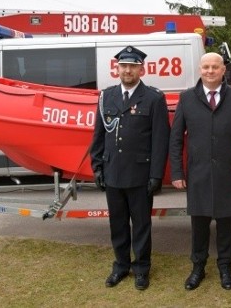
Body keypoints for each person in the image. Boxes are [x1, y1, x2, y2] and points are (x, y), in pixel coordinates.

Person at [169, 52, 231, 291]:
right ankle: (198, 268)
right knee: (199, 226)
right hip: (198, 175)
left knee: (226, 226)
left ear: (222, 70)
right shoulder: (187, 99)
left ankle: (225, 268)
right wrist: (176, 172)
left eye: (214, 67)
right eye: (205, 67)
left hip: (229, 174)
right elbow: (176, 138)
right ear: (199, 69)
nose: (210, 71)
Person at [90, 45, 170, 291]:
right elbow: (99, 135)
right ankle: (121, 266)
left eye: (132, 66)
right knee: (118, 224)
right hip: (113, 172)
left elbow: (160, 140)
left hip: (140, 175)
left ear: (141, 69)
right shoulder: (107, 97)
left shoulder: (154, 98)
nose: (127, 70)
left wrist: (156, 175)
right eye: (123, 66)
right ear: (117, 68)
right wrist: (98, 168)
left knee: (142, 225)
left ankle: (141, 269)